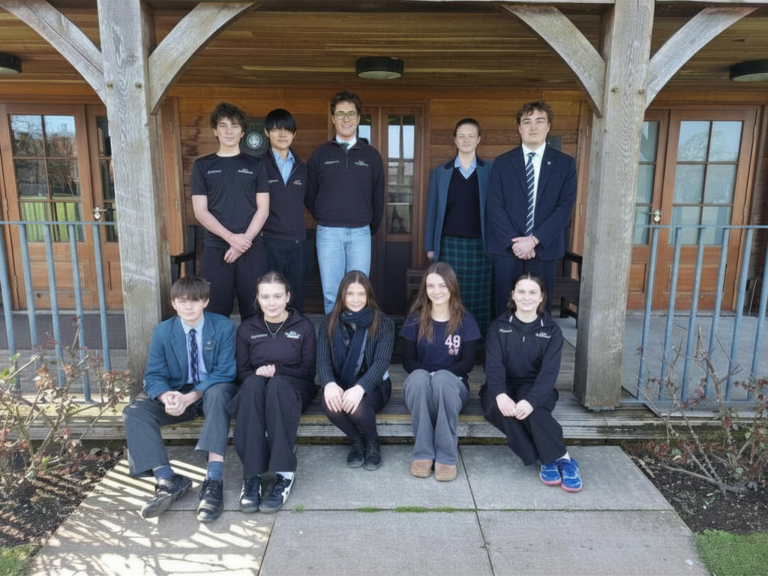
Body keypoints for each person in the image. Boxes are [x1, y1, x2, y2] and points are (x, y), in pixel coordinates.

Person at [123, 275, 237, 522]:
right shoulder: (163, 331)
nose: (189, 307)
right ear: (173, 303)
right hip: (177, 392)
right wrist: (166, 396)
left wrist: (192, 396)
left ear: (205, 302)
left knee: (219, 394)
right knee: (135, 411)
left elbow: (226, 371)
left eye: (195, 301)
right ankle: (167, 479)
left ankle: (213, 480)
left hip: (211, 390)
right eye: (182, 301)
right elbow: (153, 375)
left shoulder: (223, 326)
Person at [480, 273, 582, 492]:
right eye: (521, 291)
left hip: (535, 387)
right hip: (502, 386)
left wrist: (532, 401)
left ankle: (561, 459)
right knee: (497, 408)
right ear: (513, 295)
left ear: (542, 296)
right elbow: (493, 367)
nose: (527, 297)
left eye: (533, 292)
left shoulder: (552, 330)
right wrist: (500, 394)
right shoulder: (498, 326)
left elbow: (549, 374)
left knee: (532, 411)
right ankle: (549, 457)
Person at [227, 271, 316, 514]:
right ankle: (252, 476)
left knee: (277, 386)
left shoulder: (303, 327)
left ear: (288, 297)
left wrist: (278, 370)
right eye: (265, 297)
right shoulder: (247, 329)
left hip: (294, 388)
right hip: (257, 390)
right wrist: (259, 374)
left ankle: (284, 474)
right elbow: (242, 372)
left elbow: (309, 372)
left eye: (277, 296)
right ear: (257, 298)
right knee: (253, 385)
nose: (272, 303)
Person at [486, 101, 577, 315]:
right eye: (527, 122)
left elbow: (564, 207)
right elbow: (494, 206)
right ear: (519, 128)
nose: (533, 127)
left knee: (539, 309)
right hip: (508, 250)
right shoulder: (502, 163)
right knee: (505, 307)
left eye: (539, 121)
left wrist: (534, 240)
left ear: (548, 127)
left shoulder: (565, 164)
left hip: (544, 249)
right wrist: (516, 243)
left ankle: (538, 340)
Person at [306, 91, 385, 313]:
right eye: (340, 114)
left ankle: (357, 336)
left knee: (358, 292)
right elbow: (310, 194)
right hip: (328, 233)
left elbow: (378, 195)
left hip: (360, 233)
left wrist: (370, 225)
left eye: (351, 114)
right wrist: (325, 216)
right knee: (332, 293)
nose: (346, 119)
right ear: (333, 118)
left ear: (359, 118)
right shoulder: (320, 155)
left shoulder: (371, 156)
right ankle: (334, 336)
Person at [401, 262, 481, 481]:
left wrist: (440, 376)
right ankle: (422, 454)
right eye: (431, 286)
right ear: (425, 289)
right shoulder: (415, 318)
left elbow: (468, 362)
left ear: (452, 287)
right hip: (421, 388)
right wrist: (428, 376)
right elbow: (407, 360)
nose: (436, 291)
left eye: (442, 285)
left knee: (444, 379)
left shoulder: (466, 320)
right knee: (418, 378)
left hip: (453, 387)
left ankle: (446, 456)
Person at [191, 102, 270, 320]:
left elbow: (263, 209)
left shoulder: (256, 165)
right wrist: (231, 239)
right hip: (216, 248)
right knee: (215, 310)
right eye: (223, 125)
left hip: (251, 248)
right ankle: (220, 345)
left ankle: (252, 345)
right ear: (215, 131)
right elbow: (200, 211)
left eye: (234, 126)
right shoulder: (202, 166)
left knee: (254, 310)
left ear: (242, 132)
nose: (229, 131)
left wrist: (245, 241)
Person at [317, 270, 394, 470]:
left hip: (375, 385)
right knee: (330, 403)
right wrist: (329, 384)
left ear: (368, 296)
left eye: (361, 294)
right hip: (341, 382)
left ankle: (372, 441)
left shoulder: (384, 323)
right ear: (342, 295)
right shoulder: (328, 323)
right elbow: (323, 360)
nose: (356, 299)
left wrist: (360, 388)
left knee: (358, 407)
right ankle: (356, 439)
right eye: (350, 294)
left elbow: (381, 363)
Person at [424, 118, 494, 334]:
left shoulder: (490, 171)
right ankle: (450, 337)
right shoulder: (440, 173)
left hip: (482, 245)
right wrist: (429, 246)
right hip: (449, 244)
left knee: (479, 294)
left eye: (471, 136)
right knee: (449, 292)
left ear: (479, 139)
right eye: (461, 136)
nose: (466, 140)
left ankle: (478, 341)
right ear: (454, 140)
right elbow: (432, 210)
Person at [261, 109, 308, 314]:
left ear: (294, 134)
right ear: (267, 132)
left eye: (287, 130)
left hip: (297, 241)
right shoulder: (259, 166)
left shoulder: (302, 168)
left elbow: (308, 199)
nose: (282, 134)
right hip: (268, 241)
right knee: (271, 295)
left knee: (295, 295)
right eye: (276, 129)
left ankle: (296, 332)